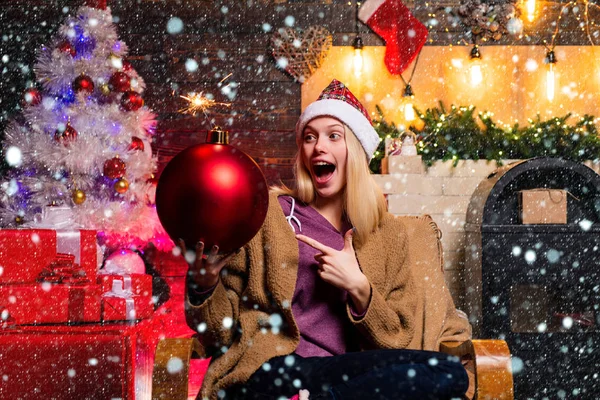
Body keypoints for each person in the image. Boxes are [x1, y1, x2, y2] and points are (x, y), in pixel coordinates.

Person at [182, 79, 471, 400]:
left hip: (342, 372)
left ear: (357, 152)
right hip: (273, 369)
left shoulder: (387, 235)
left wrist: (360, 289)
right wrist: (204, 285)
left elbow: (397, 337)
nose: (319, 146)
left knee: (449, 372)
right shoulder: (267, 216)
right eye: (309, 137)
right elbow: (219, 333)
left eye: (334, 135)